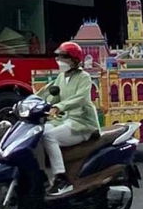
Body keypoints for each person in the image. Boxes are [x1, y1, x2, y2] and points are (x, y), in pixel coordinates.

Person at [40, 41, 100, 197]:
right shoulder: (61, 77)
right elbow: (51, 95)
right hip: (64, 120)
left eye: (64, 57)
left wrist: (60, 107)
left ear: (74, 60)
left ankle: (62, 179)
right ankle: (41, 175)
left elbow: (80, 99)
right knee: (39, 131)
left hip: (82, 123)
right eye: (59, 56)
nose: (60, 60)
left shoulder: (84, 77)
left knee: (49, 136)